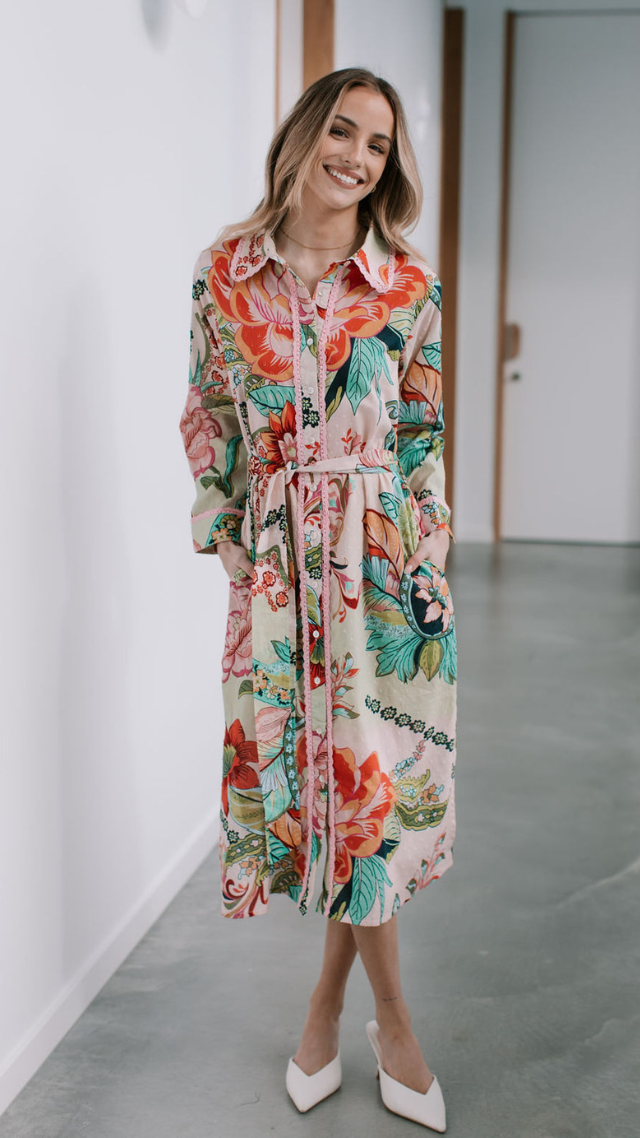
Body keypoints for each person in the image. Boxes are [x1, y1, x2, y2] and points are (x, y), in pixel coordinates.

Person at [179, 67, 457, 1132]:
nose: (355, 155)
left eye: (377, 144)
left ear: (388, 166)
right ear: (305, 134)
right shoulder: (225, 275)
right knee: (325, 801)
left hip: (385, 580)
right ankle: (337, 1003)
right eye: (341, 130)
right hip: (281, 581)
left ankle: (372, 1013)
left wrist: (422, 563)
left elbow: (421, 439)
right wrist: (226, 536)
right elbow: (206, 413)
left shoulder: (406, 290)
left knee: (372, 808)